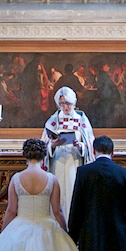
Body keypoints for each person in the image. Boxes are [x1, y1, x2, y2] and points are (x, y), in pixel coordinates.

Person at [42, 86, 94, 214]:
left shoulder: (82, 120)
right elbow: (43, 145)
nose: (65, 107)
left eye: (68, 103)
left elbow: (90, 143)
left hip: (74, 162)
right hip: (57, 162)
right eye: (62, 104)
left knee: (73, 192)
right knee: (58, 194)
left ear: (74, 102)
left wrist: (80, 146)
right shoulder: (52, 122)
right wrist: (52, 146)